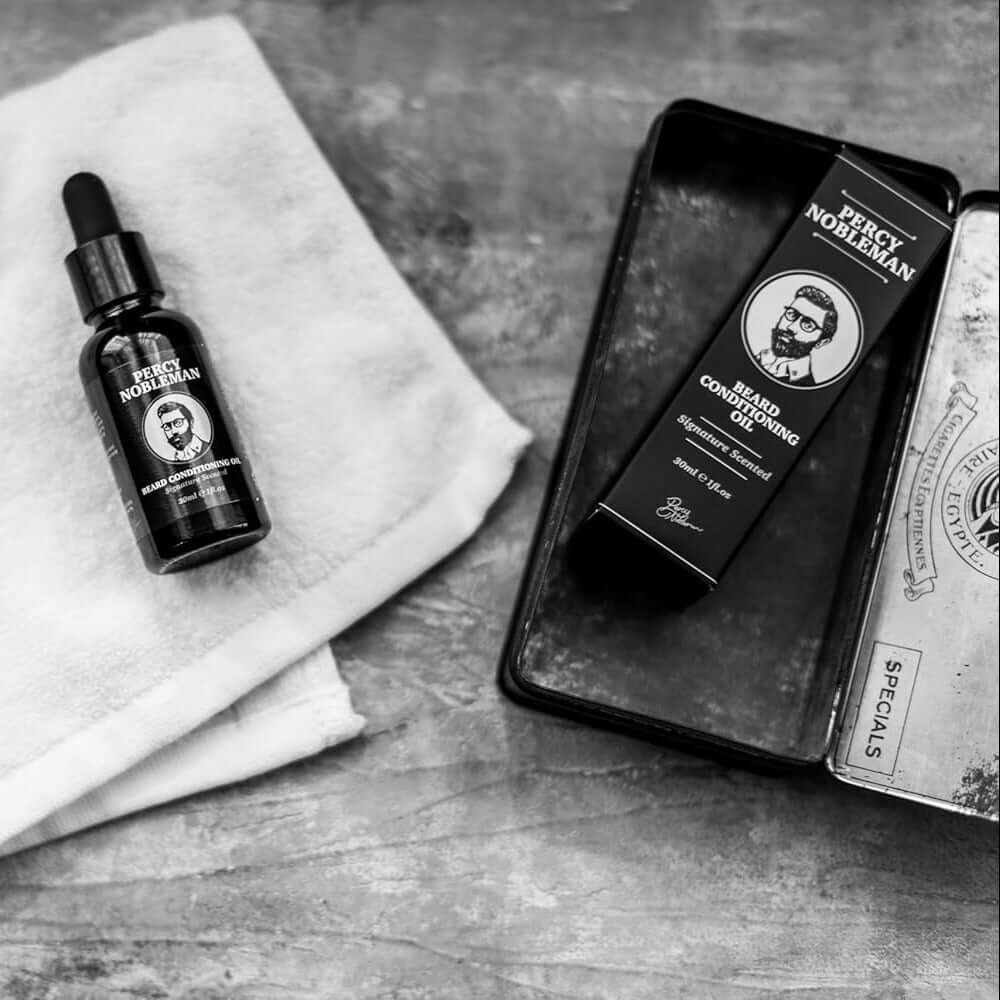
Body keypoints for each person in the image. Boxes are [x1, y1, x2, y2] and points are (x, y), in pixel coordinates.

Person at [754, 284, 839, 386]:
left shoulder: (804, 387)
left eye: (808, 325)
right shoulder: (756, 357)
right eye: (792, 314)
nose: (791, 327)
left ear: (821, 342)